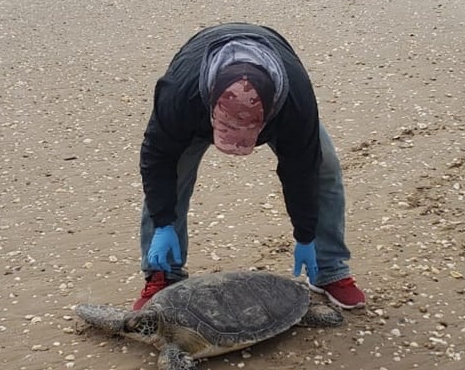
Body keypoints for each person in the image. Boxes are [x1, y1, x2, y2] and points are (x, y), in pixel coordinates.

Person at [134, 22, 367, 312]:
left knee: (325, 169)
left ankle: (329, 267)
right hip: (193, 105)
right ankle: (162, 274)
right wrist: (163, 222)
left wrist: (305, 235)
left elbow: (301, 170)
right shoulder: (179, 93)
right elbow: (156, 160)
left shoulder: (296, 101)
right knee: (173, 176)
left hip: (282, 98)